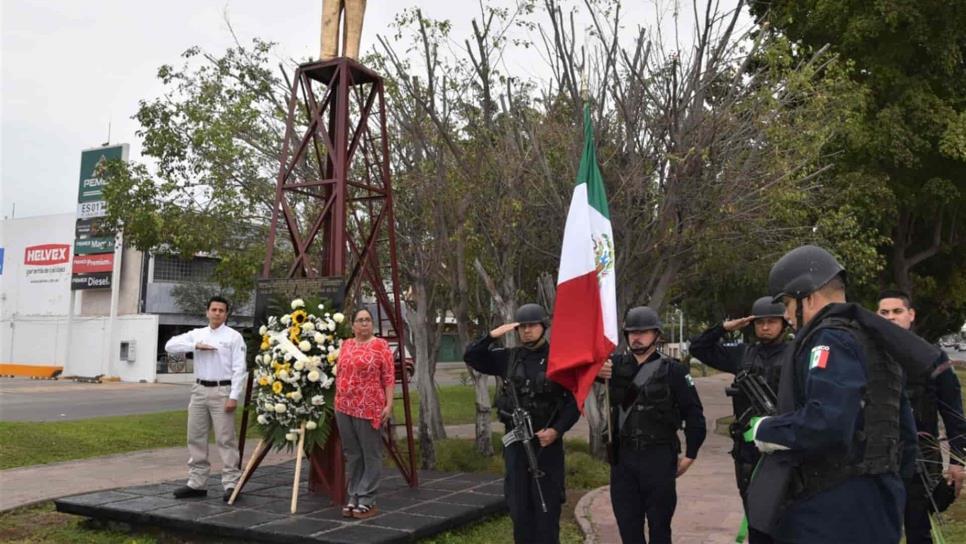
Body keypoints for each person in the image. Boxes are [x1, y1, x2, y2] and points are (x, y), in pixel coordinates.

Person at [746, 245, 939, 542]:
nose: (786, 315)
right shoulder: (874, 339)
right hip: (878, 502)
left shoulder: (829, 338)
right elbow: (905, 435)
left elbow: (827, 422)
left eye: (786, 303)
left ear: (807, 298)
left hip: (832, 509)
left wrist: (766, 429)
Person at [463, 303, 579, 544]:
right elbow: (471, 356)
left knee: (547, 511)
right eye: (522, 327)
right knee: (519, 508)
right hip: (516, 443)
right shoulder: (508, 357)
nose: (527, 331)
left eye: (532, 326)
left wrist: (557, 431)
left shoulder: (558, 358)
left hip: (546, 443)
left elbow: (573, 403)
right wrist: (492, 335)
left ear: (542, 327)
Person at [597, 306, 706, 544]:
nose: (637, 337)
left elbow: (694, 414)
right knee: (628, 527)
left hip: (658, 457)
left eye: (643, 332)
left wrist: (691, 454)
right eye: (632, 332)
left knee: (659, 528)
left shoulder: (674, 370)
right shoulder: (612, 367)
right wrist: (596, 369)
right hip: (623, 460)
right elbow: (576, 369)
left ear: (656, 335)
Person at [689, 297, 789, 544]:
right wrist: (724, 328)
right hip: (748, 449)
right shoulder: (743, 354)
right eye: (760, 322)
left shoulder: (795, 354)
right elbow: (698, 348)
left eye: (772, 322)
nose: (765, 327)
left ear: (783, 324)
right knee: (754, 511)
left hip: (784, 448)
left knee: (785, 515)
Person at [877, 289, 966, 543]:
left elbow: (952, 412)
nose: (891, 317)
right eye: (884, 313)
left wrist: (958, 462)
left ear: (911, 315)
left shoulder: (934, 357)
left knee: (918, 529)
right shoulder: (867, 355)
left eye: (897, 311)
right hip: (877, 458)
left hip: (921, 459)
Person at [164, 296, 247, 501]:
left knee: (225, 439)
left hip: (222, 391)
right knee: (195, 436)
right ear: (207, 311)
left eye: (221, 310)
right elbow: (170, 346)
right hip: (199, 390)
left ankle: (231, 484)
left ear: (226, 314)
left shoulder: (233, 337)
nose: (217, 313)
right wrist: (196, 346)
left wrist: (234, 396)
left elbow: (239, 369)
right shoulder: (198, 334)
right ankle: (197, 482)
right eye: (214, 309)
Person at [334, 307, 394, 519]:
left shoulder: (381, 346)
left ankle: (367, 498)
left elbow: (388, 377)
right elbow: (339, 372)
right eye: (360, 320)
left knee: (371, 453)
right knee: (353, 453)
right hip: (344, 406)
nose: (364, 323)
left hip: (369, 407)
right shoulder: (346, 345)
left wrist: (389, 404)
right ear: (353, 325)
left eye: (367, 320)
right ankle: (354, 494)